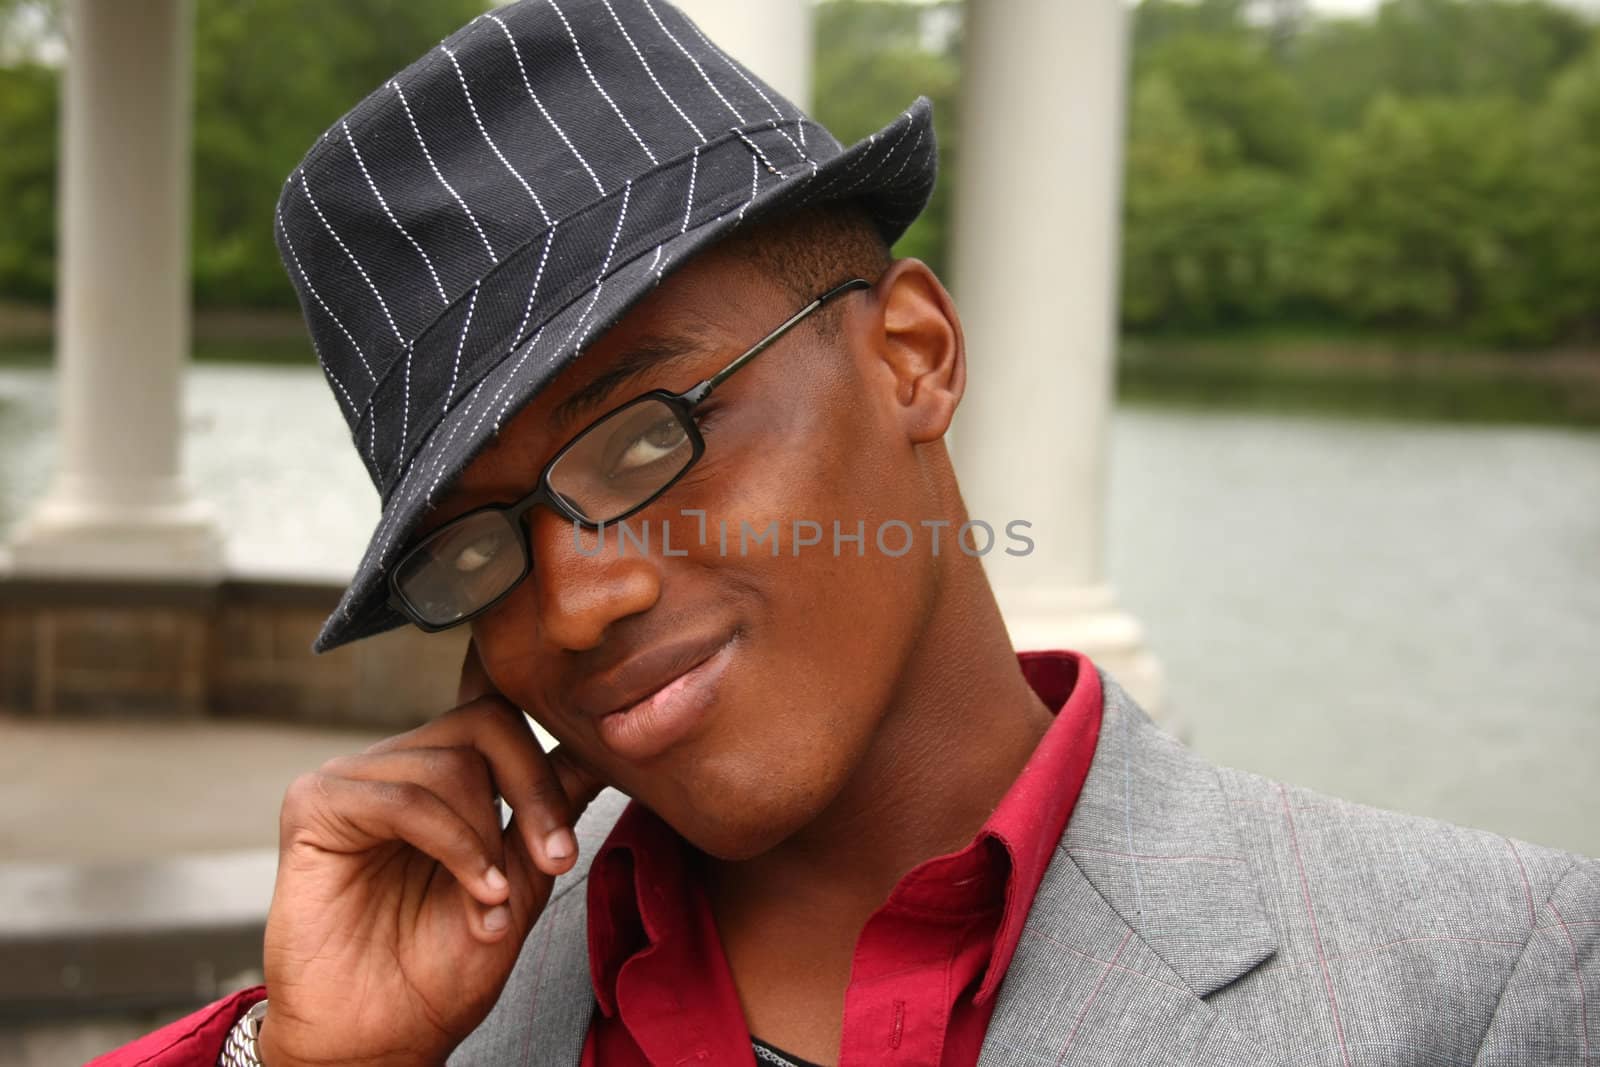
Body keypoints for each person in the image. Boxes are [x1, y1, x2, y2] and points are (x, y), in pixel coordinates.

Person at [96, 2, 1597, 1065]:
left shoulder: (1477, 979)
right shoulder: (412, 1030)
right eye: (476, 546)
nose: (575, 599)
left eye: (645, 437)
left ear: (914, 358)